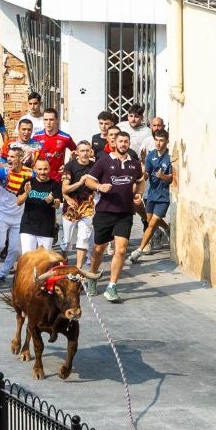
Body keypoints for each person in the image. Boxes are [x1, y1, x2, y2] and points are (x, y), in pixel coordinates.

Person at [89, 129, 146, 303]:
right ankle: (92, 276)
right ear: (114, 143)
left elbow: (140, 181)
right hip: (105, 212)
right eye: (120, 141)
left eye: (126, 142)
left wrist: (138, 195)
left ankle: (112, 286)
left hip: (125, 213)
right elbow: (89, 180)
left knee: (121, 250)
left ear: (128, 144)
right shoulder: (103, 161)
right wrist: (99, 187)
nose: (123, 144)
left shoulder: (134, 164)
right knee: (99, 249)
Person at [0, 144, 29, 285]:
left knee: (15, 249)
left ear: (21, 158)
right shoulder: (4, 171)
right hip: (1, 214)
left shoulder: (30, 174)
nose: (8, 159)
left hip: (19, 217)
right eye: (7, 156)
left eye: (12, 157)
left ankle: (3, 274)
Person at [136, 129, 175, 262]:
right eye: (156, 140)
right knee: (149, 220)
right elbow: (146, 174)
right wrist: (142, 178)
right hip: (151, 195)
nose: (158, 143)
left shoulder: (169, 157)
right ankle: (167, 227)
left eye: (161, 140)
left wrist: (162, 176)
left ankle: (140, 250)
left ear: (167, 141)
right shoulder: (151, 155)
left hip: (163, 197)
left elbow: (171, 178)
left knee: (152, 224)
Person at [59, 139, 98, 271]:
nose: (85, 153)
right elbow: (64, 189)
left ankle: (78, 268)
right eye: (82, 150)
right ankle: (64, 256)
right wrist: (80, 182)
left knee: (84, 237)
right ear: (76, 152)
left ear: (91, 151)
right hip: (71, 206)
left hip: (88, 207)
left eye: (87, 150)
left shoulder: (95, 166)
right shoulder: (69, 166)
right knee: (67, 241)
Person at [17, 155, 62, 256]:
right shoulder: (28, 182)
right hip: (28, 227)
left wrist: (51, 201)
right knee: (28, 258)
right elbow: (18, 202)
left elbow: (58, 205)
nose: (42, 172)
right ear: (34, 169)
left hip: (47, 228)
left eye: (45, 169)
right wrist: (26, 193)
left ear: (49, 168)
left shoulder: (55, 184)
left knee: (44, 261)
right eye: (40, 169)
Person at [34, 108, 75, 181]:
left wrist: (67, 166)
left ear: (57, 120)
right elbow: (32, 156)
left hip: (57, 179)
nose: (48, 123)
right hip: (39, 178)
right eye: (46, 120)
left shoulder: (65, 137)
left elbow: (76, 153)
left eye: (51, 119)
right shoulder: (36, 137)